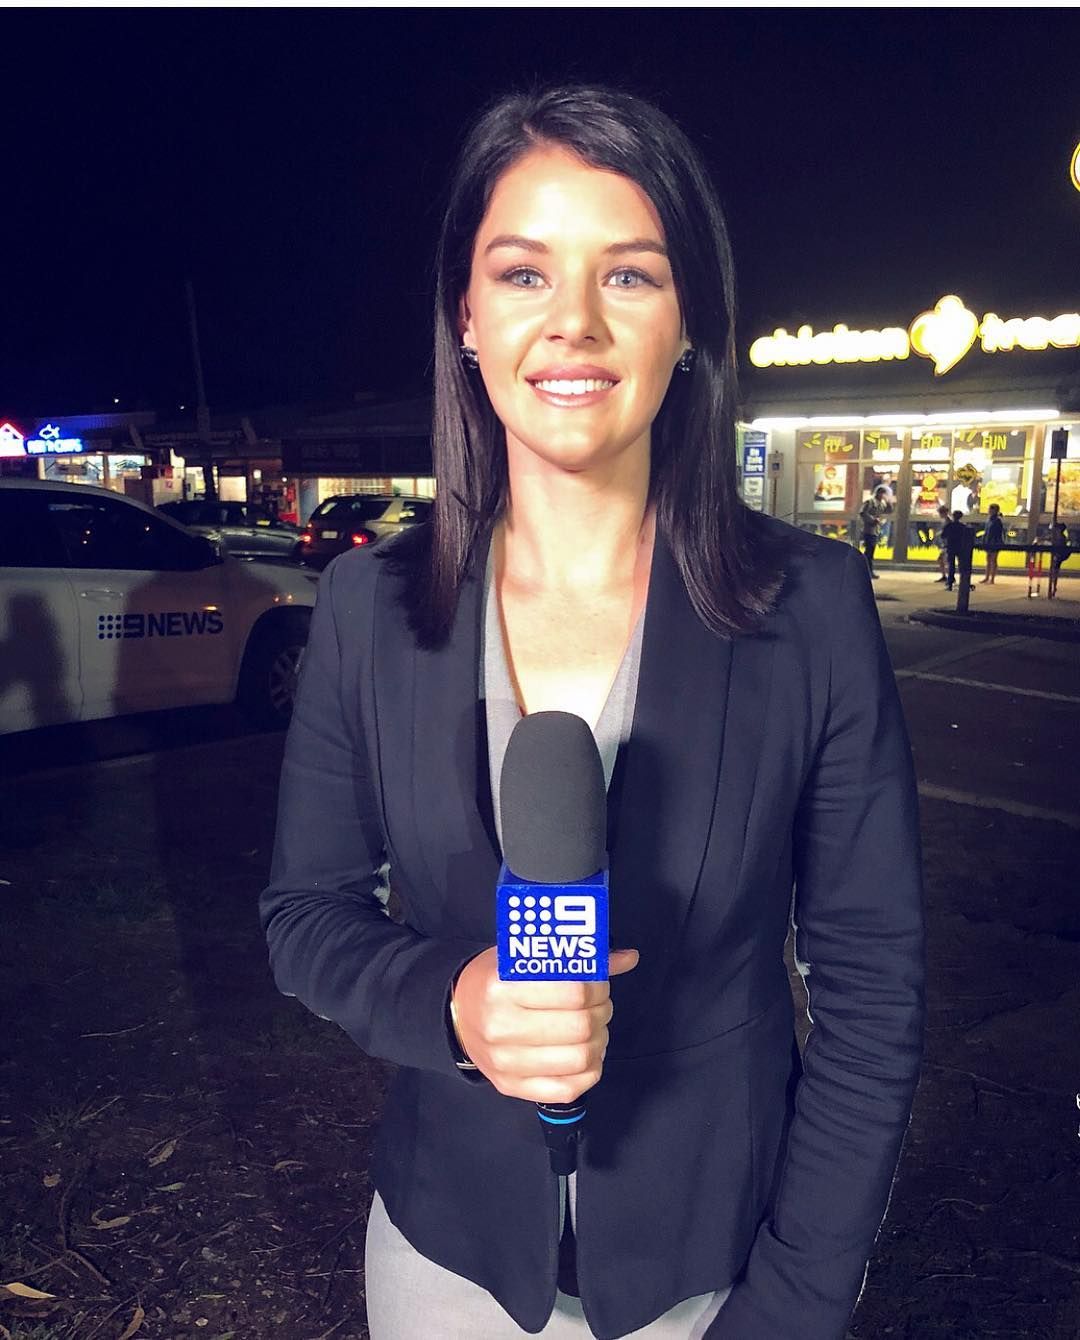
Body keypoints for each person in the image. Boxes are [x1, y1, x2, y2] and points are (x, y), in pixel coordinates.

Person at [259, 85, 925, 1340]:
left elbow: (872, 989)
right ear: (467, 315)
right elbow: (305, 914)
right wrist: (451, 1003)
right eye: (524, 273)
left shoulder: (811, 610)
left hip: (714, 1270)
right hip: (445, 1258)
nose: (573, 320)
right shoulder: (367, 606)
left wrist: (794, 1301)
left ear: (689, 322)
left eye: (628, 274)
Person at [858, 486, 892, 578]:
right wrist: (872, 520)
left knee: (870, 552)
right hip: (868, 529)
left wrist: (889, 502)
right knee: (869, 551)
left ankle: (867, 571)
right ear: (878, 493)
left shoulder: (882, 503)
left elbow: (889, 511)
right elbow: (863, 513)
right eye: (883, 494)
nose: (883, 496)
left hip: (875, 530)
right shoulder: (870, 502)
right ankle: (866, 571)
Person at [940, 509, 968, 591]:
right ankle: (963, 582)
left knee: (951, 565)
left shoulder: (949, 525)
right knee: (961, 565)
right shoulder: (963, 526)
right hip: (960, 547)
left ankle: (950, 583)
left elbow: (943, 535)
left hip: (951, 547)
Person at [979, 503, 1005, 584]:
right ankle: (987, 577)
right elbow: (986, 531)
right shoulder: (989, 520)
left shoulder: (997, 521)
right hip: (988, 541)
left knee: (993, 560)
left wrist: (997, 543)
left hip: (995, 542)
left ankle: (992, 578)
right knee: (988, 559)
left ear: (994, 510)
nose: (989, 510)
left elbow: (998, 533)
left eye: (990, 509)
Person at [1048, 522, 1072, 598]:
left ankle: (1053, 587)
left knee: (1054, 571)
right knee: (1055, 571)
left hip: (1059, 555)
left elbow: (1060, 547)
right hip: (1059, 555)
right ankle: (1053, 587)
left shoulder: (1061, 538)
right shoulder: (1059, 537)